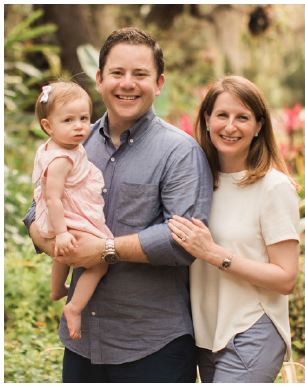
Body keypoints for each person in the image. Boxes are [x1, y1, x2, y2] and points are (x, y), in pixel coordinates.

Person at [23, 27, 213, 383]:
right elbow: (37, 204)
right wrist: (54, 240)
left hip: (153, 344)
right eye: (117, 73)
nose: (127, 83)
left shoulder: (180, 152)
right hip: (81, 344)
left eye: (140, 74)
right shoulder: (72, 143)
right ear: (99, 79)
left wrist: (106, 249)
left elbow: (183, 241)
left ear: (159, 83)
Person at [168, 75, 300, 383]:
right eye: (222, 115)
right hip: (205, 334)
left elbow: (286, 278)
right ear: (207, 119)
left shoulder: (273, 187)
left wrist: (216, 254)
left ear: (258, 127)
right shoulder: (194, 181)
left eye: (242, 117)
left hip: (251, 328)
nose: (230, 127)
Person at [32, 81, 113, 341]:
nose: (79, 126)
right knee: (100, 263)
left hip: (63, 216)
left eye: (84, 118)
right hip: (66, 217)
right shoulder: (61, 160)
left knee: (62, 255)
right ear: (48, 126)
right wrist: (63, 232)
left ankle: (56, 289)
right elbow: (53, 198)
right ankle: (74, 307)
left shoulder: (55, 147)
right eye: (68, 120)